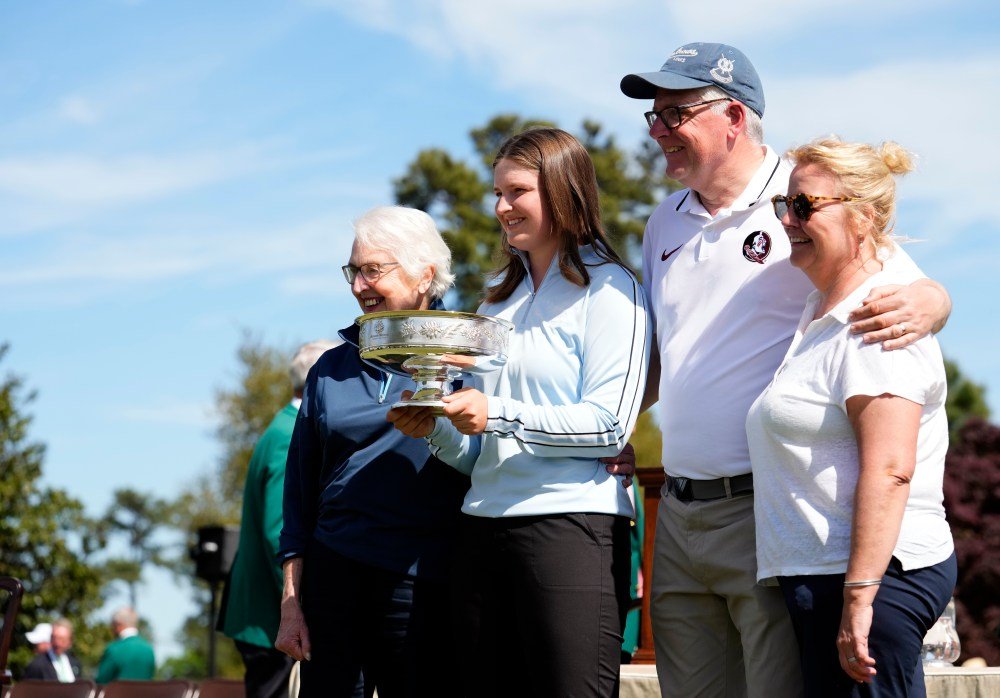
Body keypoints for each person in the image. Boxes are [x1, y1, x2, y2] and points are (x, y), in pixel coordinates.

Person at [619, 42, 952, 697]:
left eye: (674, 114)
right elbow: (669, 353)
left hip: (765, 513)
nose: (659, 132)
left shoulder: (803, 197)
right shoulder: (664, 220)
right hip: (681, 514)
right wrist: (610, 424)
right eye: (653, 118)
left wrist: (932, 299)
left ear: (733, 116)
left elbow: (899, 285)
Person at [388, 127, 651, 697]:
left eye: (517, 191)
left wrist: (496, 413)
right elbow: (475, 455)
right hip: (481, 530)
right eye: (497, 193)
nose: (501, 207)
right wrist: (436, 428)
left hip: (570, 527)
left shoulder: (612, 291)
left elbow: (609, 425)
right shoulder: (494, 302)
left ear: (564, 190)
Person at [746, 137, 956, 696]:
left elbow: (891, 468)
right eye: (783, 205)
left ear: (862, 219)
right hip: (831, 578)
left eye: (805, 206)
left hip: (872, 579)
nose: (788, 219)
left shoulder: (877, 318)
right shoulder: (823, 310)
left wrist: (860, 595)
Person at [274, 206, 470, 698]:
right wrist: (292, 601)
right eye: (353, 271)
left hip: (426, 583)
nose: (359, 286)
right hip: (334, 581)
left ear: (425, 274)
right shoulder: (329, 370)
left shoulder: (471, 359)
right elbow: (299, 494)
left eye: (373, 270)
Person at [220, 339, 339, 698]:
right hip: (271, 618)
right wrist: (299, 609)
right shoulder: (291, 434)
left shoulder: (283, 427)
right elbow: (279, 530)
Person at [95, 607, 155, 683]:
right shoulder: (149, 650)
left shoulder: (113, 649)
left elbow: (101, 682)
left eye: (112, 625)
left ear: (118, 624)